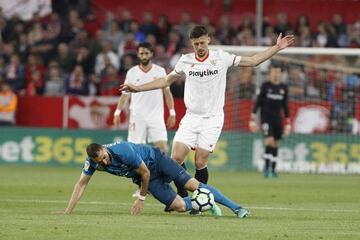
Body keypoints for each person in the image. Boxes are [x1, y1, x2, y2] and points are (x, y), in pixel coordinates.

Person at [120, 25, 294, 206]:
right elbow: (165, 80)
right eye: (196, 44)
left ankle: (199, 199)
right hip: (191, 117)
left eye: (202, 42)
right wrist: (138, 88)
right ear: (191, 43)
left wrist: (277, 48)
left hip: (212, 118)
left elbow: (252, 61)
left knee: (200, 160)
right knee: (175, 159)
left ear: (208, 39)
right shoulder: (185, 61)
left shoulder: (221, 57)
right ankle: (185, 199)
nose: (200, 47)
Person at [59, 141, 249, 218]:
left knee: (193, 185)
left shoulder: (122, 151)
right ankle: (205, 204)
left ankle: (237, 208)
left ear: (104, 149)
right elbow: (81, 183)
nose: (105, 162)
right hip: (146, 177)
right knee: (179, 206)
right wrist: (68, 211)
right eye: (101, 161)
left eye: (105, 157)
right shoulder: (92, 163)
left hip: (156, 162)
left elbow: (145, 174)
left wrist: (141, 198)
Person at [113, 42, 176, 153]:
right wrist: (117, 113)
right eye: (141, 53)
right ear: (138, 54)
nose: (144, 56)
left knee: (162, 149)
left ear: (151, 54)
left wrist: (172, 113)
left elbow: (167, 93)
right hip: (137, 115)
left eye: (146, 53)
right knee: (135, 151)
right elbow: (124, 95)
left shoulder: (160, 71)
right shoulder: (132, 72)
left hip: (155, 115)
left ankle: (159, 170)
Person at [249, 64, 291, 177]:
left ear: (281, 74)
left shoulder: (284, 88)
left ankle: (273, 169)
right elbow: (258, 102)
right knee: (270, 141)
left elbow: (285, 105)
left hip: (278, 120)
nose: (275, 74)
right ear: (270, 73)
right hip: (266, 119)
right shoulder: (265, 86)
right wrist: (253, 118)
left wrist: (288, 122)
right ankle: (266, 169)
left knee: (276, 144)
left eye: (277, 72)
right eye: (273, 72)